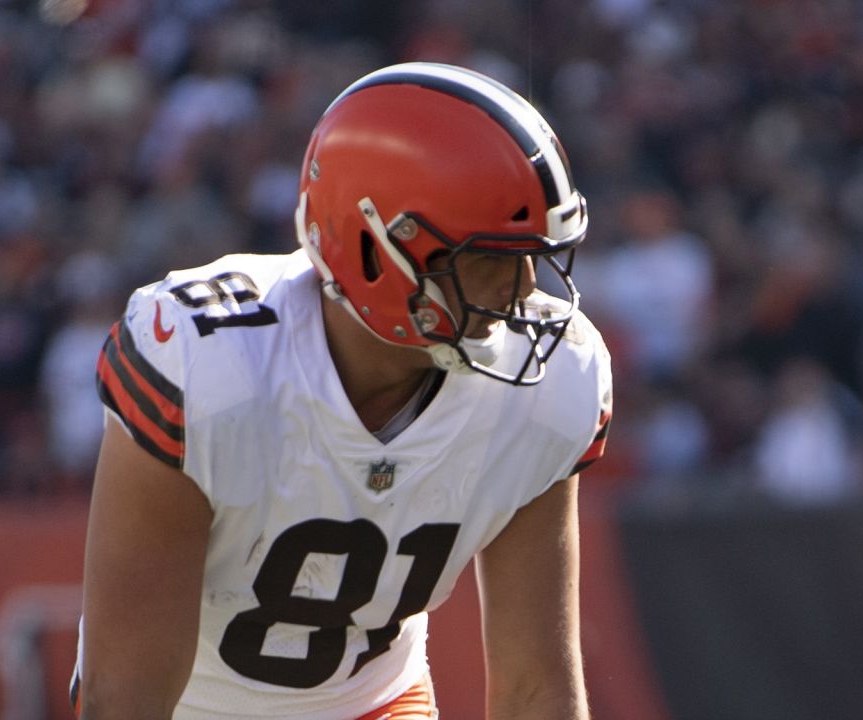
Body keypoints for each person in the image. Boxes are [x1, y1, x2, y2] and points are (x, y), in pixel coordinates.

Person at [73, 62, 612, 720]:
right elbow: (122, 694)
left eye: (531, 256)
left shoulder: (549, 381)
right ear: (377, 251)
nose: (526, 289)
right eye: (494, 258)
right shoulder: (206, 366)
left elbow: (537, 690)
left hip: (372, 704)